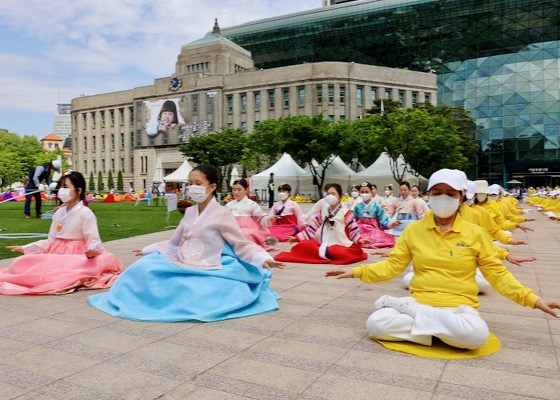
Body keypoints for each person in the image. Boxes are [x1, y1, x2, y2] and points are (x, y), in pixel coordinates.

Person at [326, 169, 559, 350]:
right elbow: (392, 266)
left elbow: (498, 274)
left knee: (476, 335)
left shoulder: (474, 232)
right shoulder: (414, 230)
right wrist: (357, 272)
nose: (443, 198)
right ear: (428, 196)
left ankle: (411, 314)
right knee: (376, 324)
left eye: (451, 194)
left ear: (460, 198)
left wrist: (533, 300)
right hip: (422, 300)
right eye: (437, 193)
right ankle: (431, 323)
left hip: (459, 306)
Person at [88, 164, 284, 322]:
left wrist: (262, 257)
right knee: (143, 267)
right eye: (190, 183)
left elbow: (241, 243)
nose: (192, 187)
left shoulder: (223, 214)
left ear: (212, 187)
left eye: (198, 183)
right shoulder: (190, 212)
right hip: (182, 257)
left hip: (208, 262)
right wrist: (149, 249)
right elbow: (174, 242)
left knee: (198, 290)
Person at [1, 171, 124, 295]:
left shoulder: (86, 213)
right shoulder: (59, 213)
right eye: (60, 187)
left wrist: (92, 251)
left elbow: (94, 240)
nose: (61, 190)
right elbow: (50, 240)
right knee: (20, 262)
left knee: (59, 269)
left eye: (66, 187)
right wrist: (26, 248)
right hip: (55, 251)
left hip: (77, 254)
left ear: (78, 191)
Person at [275, 183, 369, 264]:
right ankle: (327, 253)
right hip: (323, 242)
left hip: (340, 243)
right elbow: (312, 229)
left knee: (341, 252)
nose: (330, 196)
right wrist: (296, 238)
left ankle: (329, 253)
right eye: (328, 194)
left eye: (333, 194)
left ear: (340, 197)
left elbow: (353, 229)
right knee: (302, 246)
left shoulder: (346, 212)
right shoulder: (323, 211)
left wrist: (359, 239)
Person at [226, 178, 278, 250]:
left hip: (247, 229)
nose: (236, 192)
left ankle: (262, 240)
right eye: (234, 190)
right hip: (233, 229)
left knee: (245, 235)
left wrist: (268, 218)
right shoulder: (229, 205)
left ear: (246, 190)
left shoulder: (251, 204)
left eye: (239, 190)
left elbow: (260, 217)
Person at [353, 181, 399, 248]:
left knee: (379, 238)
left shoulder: (377, 206)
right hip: (360, 230)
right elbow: (354, 221)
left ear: (371, 192)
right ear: (359, 193)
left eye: (366, 192)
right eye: (362, 192)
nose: (364, 194)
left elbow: (383, 221)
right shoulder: (357, 207)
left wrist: (392, 224)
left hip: (373, 230)